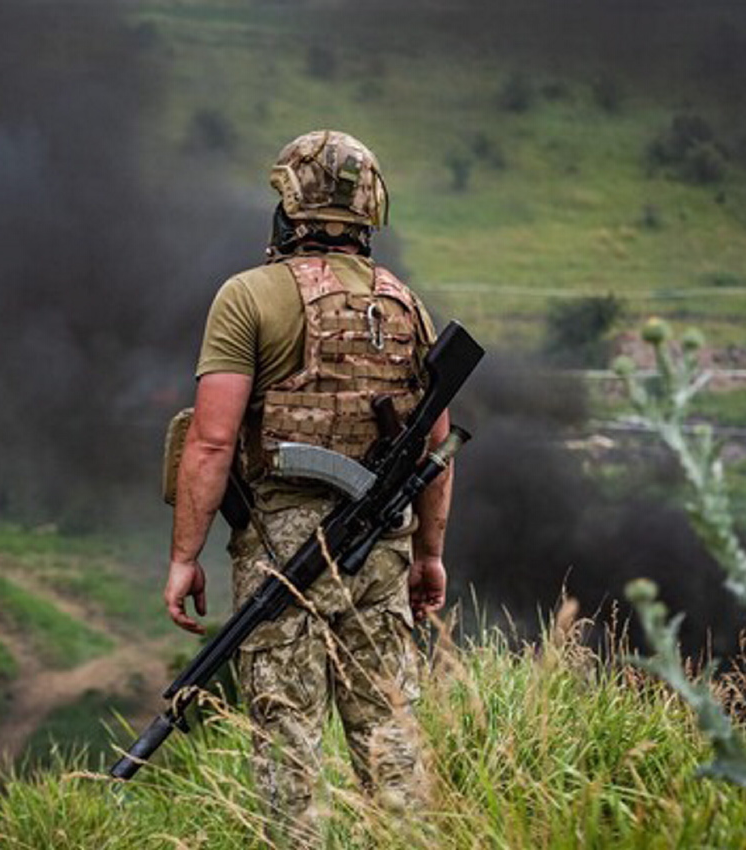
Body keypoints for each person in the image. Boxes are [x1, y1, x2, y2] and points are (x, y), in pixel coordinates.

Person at [163, 130, 454, 842]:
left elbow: (210, 439)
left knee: (288, 739)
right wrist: (427, 555)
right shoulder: (407, 307)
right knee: (388, 737)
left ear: (289, 205)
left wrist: (183, 557)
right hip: (381, 552)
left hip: (280, 549)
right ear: (369, 209)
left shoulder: (249, 297)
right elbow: (438, 446)